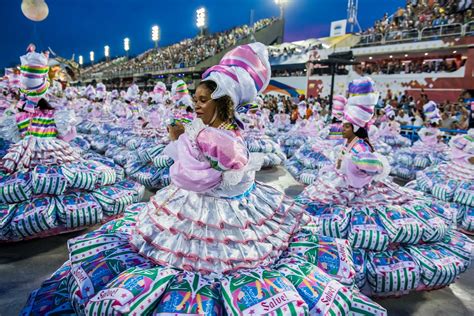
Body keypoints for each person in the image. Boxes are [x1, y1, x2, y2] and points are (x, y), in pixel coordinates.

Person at [24, 42, 386, 315]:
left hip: (220, 211)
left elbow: (225, 177)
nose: (195, 104)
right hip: (195, 202)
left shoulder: (224, 135)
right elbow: (190, 162)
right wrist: (182, 141)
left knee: (221, 262)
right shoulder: (206, 129)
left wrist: (201, 155)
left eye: (202, 98)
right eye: (196, 97)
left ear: (223, 100)